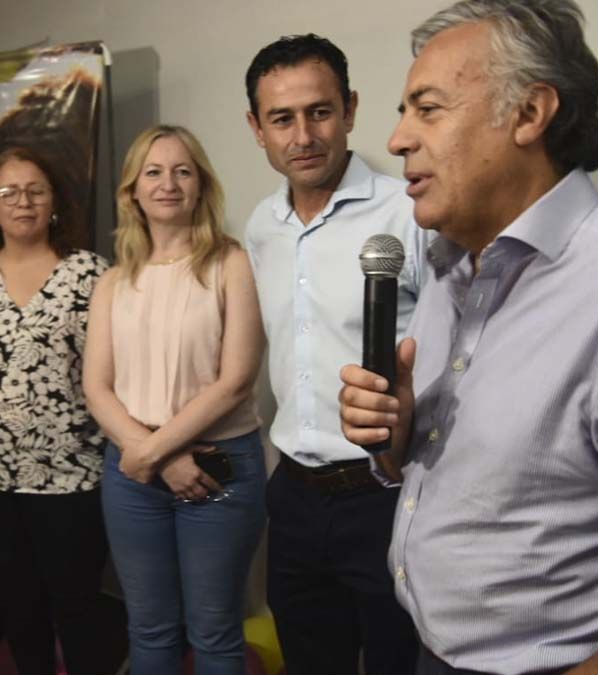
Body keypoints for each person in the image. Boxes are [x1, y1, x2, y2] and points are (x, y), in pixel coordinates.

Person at [339, 2, 598, 674]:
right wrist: (396, 444)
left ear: (530, 114)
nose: (396, 139)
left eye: (427, 108)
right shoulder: (450, 268)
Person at [242, 34, 426, 675]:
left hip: (387, 492)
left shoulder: (409, 213)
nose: (303, 135)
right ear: (256, 129)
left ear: (349, 109)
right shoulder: (261, 226)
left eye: (319, 111)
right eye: (281, 119)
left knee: (400, 662)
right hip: (293, 496)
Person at [84, 124, 267, 673]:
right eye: (154, 172)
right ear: (132, 191)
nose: (169, 183)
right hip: (133, 477)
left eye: (183, 171)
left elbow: (236, 380)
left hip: (218, 471)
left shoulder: (231, 264)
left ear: (201, 185)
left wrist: (153, 450)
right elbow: (96, 387)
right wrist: (155, 456)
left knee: (214, 634)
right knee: (151, 633)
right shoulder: (113, 281)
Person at [0, 146, 112, 675]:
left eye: (36, 190)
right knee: (20, 615)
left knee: (79, 611)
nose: (23, 202)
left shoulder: (90, 275)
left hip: (73, 477)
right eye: (8, 192)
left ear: (54, 200)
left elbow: (112, 373)